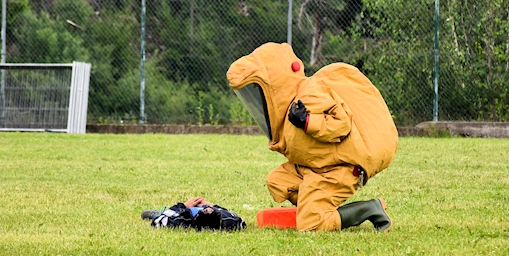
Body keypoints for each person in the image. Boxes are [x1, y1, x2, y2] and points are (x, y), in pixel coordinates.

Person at [227, 42, 398, 232]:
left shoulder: (308, 96)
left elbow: (341, 125)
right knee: (278, 182)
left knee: (311, 226)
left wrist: (307, 120)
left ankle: (369, 209)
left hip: (339, 167)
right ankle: (317, 208)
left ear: (273, 85)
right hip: (317, 165)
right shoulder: (290, 107)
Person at [142, 197, 246, 231]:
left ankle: (157, 213)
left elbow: (157, 221)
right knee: (230, 214)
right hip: (221, 215)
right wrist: (212, 205)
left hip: (183, 213)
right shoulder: (228, 221)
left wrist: (183, 205)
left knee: (168, 214)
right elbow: (240, 221)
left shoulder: (181, 220)